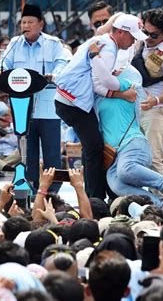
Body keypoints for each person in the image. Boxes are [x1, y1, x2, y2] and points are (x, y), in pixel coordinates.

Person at [55, 14, 146, 199]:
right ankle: (94, 198)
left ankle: (97, 194)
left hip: (71, 100)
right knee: (94, 147)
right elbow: (101, 83)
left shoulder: (102, 41)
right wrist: (123, 91)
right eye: (132, 37)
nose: (133, 42)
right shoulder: (109, 48)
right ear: (120, 32)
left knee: (95, 146)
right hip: (73, 102)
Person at [0, 4, 68, 192]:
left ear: (41, 24)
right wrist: (5, 72)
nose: (25, 26)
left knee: (52, 154)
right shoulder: (14, 43)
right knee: (27, 153)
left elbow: (63, 63)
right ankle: (27, 189)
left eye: (30, 22)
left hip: (48, 107)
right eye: (23, 22)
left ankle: (52, 192)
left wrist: (54, 75)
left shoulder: (53, 43)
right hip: (22, 106)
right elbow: (3, 64)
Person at [96, 64, 163, 206]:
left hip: (133, 143)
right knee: (115, 184)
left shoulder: (130, 88)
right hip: (114, 153)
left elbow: (115, 81)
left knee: (125, 170)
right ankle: (159, 205)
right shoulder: (98, 97)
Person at [131, 8, 163, 175]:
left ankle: (159, 198)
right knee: (132, 154)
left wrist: (156, 101)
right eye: (145, 32)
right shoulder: (140, 41)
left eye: (154, 35)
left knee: (153, 157)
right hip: (136, 104)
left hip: (158, 110)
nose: (148, 37)